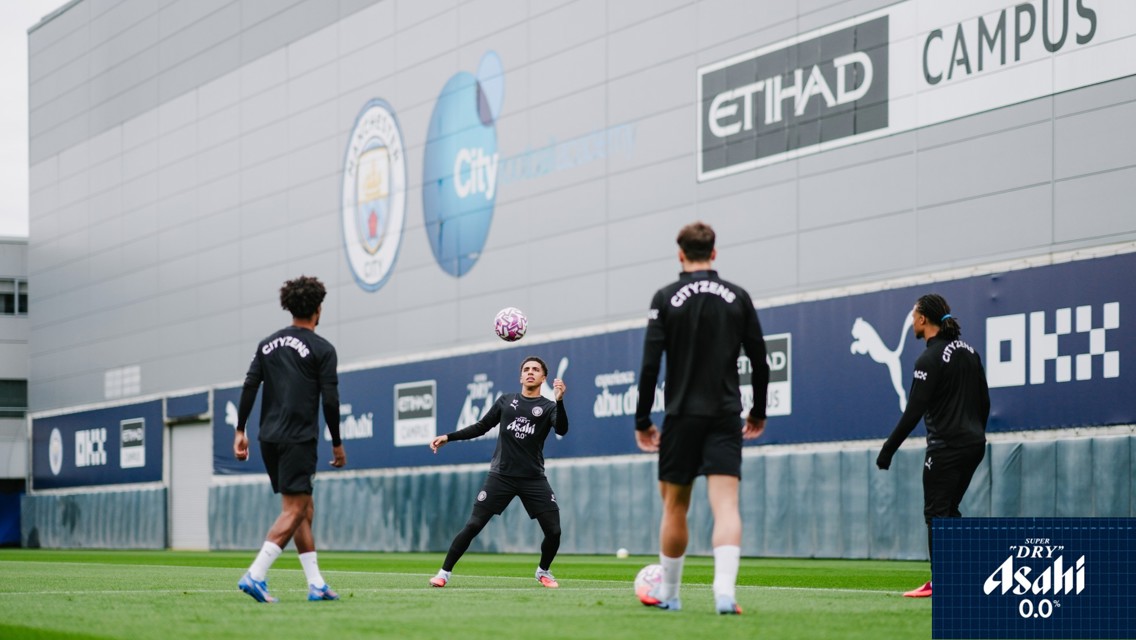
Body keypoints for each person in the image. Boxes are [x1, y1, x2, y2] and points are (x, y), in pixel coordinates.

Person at [634, 221, 769, 615]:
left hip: (681, 416)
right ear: (714, 252)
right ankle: (724, 592)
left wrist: (643, 420)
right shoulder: (738, 296)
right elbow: (759, 361)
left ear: (680, 254)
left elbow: (648, 366)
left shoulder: (665, 297)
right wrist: (757, 411)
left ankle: (670, 594)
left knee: (675, 506)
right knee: (726, 506)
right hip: (725, 414)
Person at [234, 275, 347, 603]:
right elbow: (331, 401)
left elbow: (250, 385)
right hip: (298, 437)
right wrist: (337, 442)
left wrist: (240, 430)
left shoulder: (267, 344)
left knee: (302, 508)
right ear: (318, 309)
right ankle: (255, 575)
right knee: (296, 508)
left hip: (268, 437)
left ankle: (316, 584)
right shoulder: (323, 348)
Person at [876, 293, 990, 598]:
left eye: (914, 315)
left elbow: (914, 411)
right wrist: (976, 433)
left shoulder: (928, 359)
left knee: (937, 513)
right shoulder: (970, 352)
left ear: (923, 319)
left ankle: (943, 580)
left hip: (946, 447)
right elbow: (984, 401)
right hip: (974, 444)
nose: (912, 321)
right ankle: (964, 574)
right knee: (950, 510)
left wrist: (888, 449)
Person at [428, 356, 568, 589]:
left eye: (536, 370)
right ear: (520, 376)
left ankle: (543, 571)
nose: (530, 372)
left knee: (554, 531)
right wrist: (448, 437)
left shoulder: (549, 407)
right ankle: (443, 573)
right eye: (526, 369)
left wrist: (560, 401)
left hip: (533, 478)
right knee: (473, 525)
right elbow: (481, 427)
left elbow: (562, 428)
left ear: (544, 377)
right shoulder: (506, 401)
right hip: (501, 476)